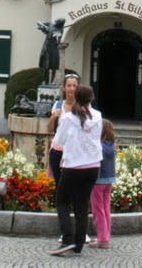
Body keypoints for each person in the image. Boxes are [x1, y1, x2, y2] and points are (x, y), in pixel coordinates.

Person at [49, 85, 102, 257]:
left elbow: (60, 139)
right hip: (93, 165)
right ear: (91, 98)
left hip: (73, 165)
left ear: (76, 98)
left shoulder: (69, 117)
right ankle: (79, 243)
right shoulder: (98, 116)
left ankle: (67, 238)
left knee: (62, 201)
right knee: (82, 204)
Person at [47, 73, 80, 182]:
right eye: (69, 85)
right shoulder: (57, 105)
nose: (72, 88)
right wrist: (53, 117)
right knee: (59, 184)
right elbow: (50, 129)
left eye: (74, 86)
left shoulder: (82, 108)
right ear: (64, 88)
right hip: (58, 151)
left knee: (73, 185)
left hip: (75, 151)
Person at [89, 119, 116, 250]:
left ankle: (103, 239)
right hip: (108, 180)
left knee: (97, 210)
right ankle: (105, 235)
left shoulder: (99, 146)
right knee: (106, 209)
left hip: (98, 181)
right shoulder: (111, 146)